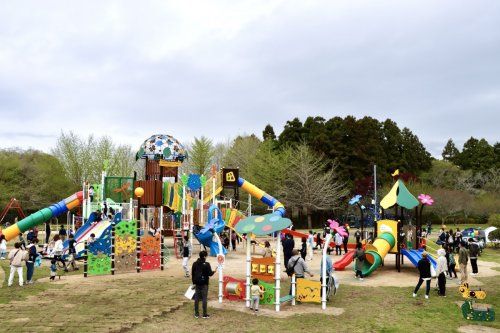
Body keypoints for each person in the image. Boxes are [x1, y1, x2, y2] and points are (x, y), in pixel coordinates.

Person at [191, 251, 216, 319]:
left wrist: (194, 282)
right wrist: (214, 271)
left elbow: (192, 273)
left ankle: (196, 314)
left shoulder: (195, 263)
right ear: (204, 256)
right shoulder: (207, 264)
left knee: (196, 298)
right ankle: (204, 314)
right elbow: (210, 274)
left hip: (197, 283)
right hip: (204, 283)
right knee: (204, 298)